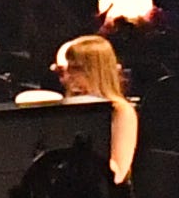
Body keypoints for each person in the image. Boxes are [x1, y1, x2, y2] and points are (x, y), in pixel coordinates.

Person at [56, 31, 140, 184]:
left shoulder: (121, 111)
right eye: (68, 68)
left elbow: (118, 173)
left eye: (76, 68)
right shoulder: (70, 105)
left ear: (95, 71)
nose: (68, 75)